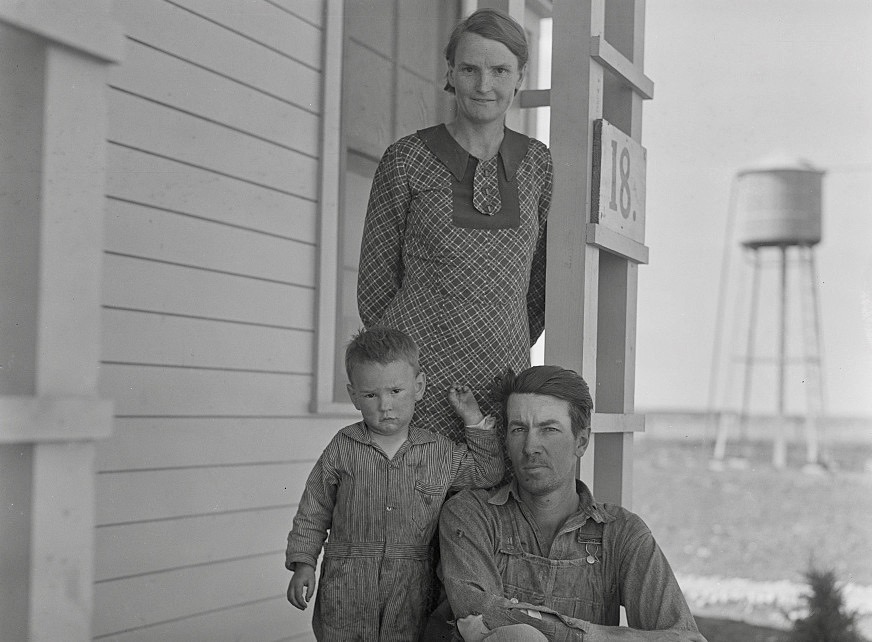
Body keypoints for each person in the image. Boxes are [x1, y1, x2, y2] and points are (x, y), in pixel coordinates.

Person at [357, 8, 551, 442]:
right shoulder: (406, 158)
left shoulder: (538, 164)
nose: (484, 85)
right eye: (469, 69)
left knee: (493, 483)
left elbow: (540, 284)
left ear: (520, 77)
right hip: (419, 385)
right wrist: (401, 372)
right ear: (450, 73)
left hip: (501, 383)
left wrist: (501, 337)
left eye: (500, 70)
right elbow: (374, 287)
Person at [438, 366, 707, 642]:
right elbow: (478, 615)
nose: (530, 447)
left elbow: (683, 637)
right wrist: (601, 637)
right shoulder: (471, 515)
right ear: (505, 440)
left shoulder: (621, 533)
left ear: (581, 441)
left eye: (549, 430)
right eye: (519, 429)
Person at [285, 326, 504, 641]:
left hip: (411, 586)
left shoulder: (439, 451)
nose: (384, 405)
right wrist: (304, 563)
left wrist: (473, 418)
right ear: (354, 396)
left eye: (396, 391)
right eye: (370, 395)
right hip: (346, 583)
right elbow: (313, 509)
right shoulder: (343, 446)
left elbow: (488, 472)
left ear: (419, 386)